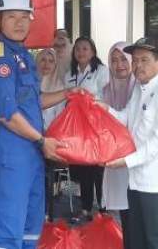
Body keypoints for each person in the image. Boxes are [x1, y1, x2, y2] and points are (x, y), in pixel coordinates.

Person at [0, 0, 70, 249]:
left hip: (32, 153)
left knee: (31, 227)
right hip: (11, 154)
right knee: (7, 230)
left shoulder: (23, 56)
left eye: (24, 16)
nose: (19, 23)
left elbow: (33, 101)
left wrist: (68, 93)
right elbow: (7, 115)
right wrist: (41, 140)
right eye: (11, 16)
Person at [102, 37, 158, 249]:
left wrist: (126, 161)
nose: (138, 65)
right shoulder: (140, 88)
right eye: (136, 60)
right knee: (137, 240)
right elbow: (126, 118)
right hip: (136, 180)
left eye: (144, 60)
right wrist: (104, 108)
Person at [65, 37, 109, 221]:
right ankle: (85, 207)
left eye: (85, 48)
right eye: (77, 49)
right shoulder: (69, 73)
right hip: (78, 129)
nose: (81, 52)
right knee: (84, 168)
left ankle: (104, 208)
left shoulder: (102, 71)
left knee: (99, 169)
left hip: (97, 126)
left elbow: (106, 98)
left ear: (93, 51)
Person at [100, 42, 135, 246]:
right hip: (114, 158)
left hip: (137, 159)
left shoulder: (139, 88)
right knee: (125, 212)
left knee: (139, 212)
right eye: (114, 60)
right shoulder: (106, 90)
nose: (119, 64)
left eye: (123, 59)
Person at [35, 48, 66, 221]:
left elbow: (59, 117)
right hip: (30, 136)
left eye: (51, 61)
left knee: (45, 176)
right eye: (43, 60)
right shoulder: (30, 82)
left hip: (49, 138)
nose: (46, 64)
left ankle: (45, 212)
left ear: (56, 65)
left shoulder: (59, 86)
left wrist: (47, 136)